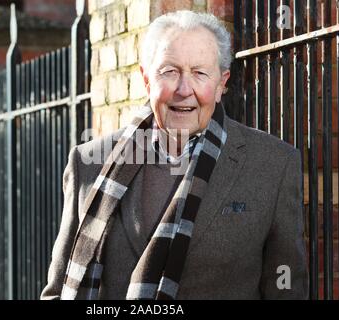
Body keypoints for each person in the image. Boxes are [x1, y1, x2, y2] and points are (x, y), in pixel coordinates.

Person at [41, 10, 308, 300]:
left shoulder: (272, 165)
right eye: (170, 71)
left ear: (222, 84)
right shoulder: (89, 162)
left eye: (199, 73)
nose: (184, 89)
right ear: (146, 80)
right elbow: (57, 291)